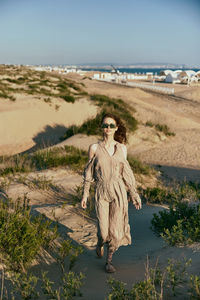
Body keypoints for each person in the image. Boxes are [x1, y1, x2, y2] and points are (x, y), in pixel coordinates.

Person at [81, 113, 142, 273]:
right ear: (101, 128)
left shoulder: (122, 148)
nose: (108, 128)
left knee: (115, 230)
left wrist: (134, 195)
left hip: (118, 191)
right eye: (105, 125)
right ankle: (100, 243)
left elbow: (127, 173)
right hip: (101, 190)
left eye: (111, 125)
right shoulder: (94, 148)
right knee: (103, 231)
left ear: (116, 128)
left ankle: (109, 262)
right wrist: (85, 194)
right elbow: (89, 172)